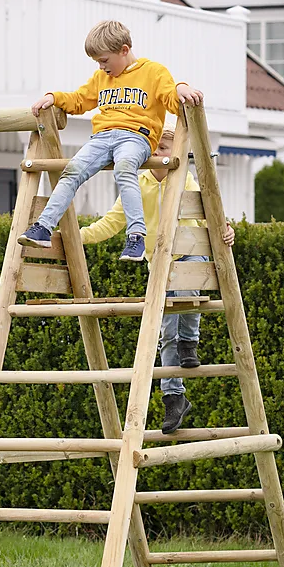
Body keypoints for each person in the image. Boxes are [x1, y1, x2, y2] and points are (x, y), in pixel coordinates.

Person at [79, 128, 236, 433]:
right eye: (150, 147)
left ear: (173, 153)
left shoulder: (186, 181)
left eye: (161, 147)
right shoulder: (137, 183)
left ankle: (190, 341)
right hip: (160, 264)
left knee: (188, 291)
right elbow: (111, 223)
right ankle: (173, 397)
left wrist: (227, 230)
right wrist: (76, 236)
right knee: (165, 332)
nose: (153, 152)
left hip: (190, 256)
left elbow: (211, 218)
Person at [19, 20, 204, 262]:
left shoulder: (153, 72)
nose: (101, 66)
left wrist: (180, 87)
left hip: (136, 136)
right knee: (71, 171)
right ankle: (43, 226)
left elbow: (170, 98)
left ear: (124, 50)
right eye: (97, 61)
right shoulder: (100, 78)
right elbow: (79, 100)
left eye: (104, 60)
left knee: (125, 167)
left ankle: (135, 235)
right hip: (102, 137)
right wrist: (54, 97)